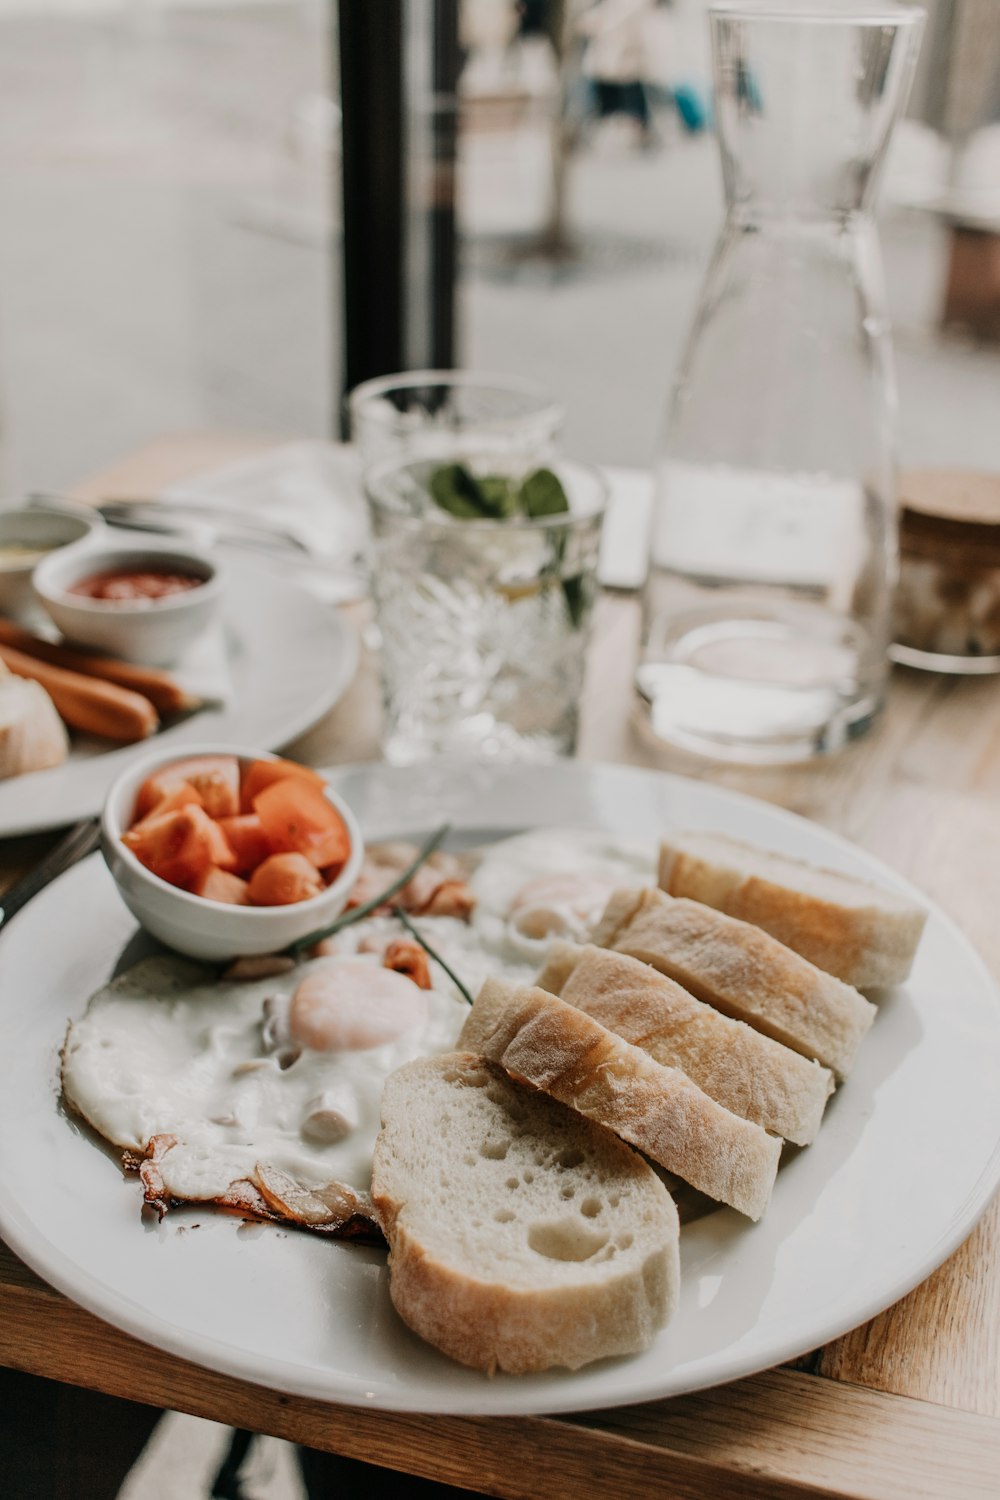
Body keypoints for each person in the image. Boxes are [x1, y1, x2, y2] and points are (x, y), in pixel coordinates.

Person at [577, 0, 659, 147]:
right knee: (614, 94)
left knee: (631, 92)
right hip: (612, 54)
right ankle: (631, 128)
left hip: (624, 51)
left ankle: (641, 130)